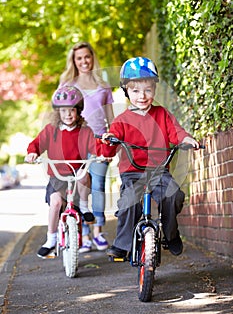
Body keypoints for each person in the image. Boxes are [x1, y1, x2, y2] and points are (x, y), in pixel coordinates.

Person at [98, 56, 199, 258]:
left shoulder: (162, 114)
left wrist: (186, 138)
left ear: (154, 89)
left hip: (158, 171)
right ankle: (122, 244)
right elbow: (110, 144)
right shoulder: (122, 120)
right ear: (126, 91)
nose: (142, 96)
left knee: (174, 195)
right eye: (135, 91)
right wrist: (108, 141)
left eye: (147, 90)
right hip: (132, 172)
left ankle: (170, 235)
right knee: (129, 201)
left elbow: (175, 131)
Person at [25, 86, 97, 258]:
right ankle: (51, 238)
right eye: (63, 110)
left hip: (77, 176)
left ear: (78, 111)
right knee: (56, 203)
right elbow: (37, 143)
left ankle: (84, 207)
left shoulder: (85, 131)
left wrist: (102, 153)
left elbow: (96, 146)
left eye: (72, 110)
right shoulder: (51, 130)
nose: (68, 114)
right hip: (57, 176)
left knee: (83, 174)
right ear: (57, 112)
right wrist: (32, 152)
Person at [60, 41, 114, 252]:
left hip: (100, 139)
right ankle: (82, 234)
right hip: (76, 140)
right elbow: (60, 113)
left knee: (98, 184)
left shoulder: (103, 84)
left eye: (87, 57)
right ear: (74, 61)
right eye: (79, 58)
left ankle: (98, 231)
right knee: (78, 186)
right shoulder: (67, 84)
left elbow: (111, 117)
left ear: (92, 58)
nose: (84, 61)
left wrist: (113, 139)